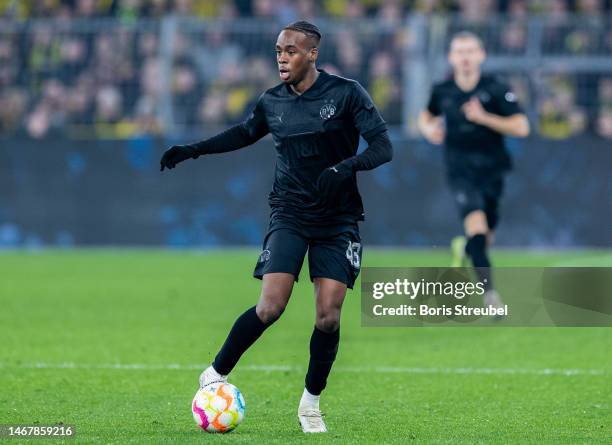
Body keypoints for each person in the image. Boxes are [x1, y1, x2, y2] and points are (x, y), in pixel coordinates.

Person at [160, 21, 392, 433]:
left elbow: (382, 147)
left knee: (328, 318)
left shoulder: (346, 93)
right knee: (270, 307)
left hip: (338, 219)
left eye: (290, 50)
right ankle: (214, 373)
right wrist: (193, 150)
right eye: (278, 51)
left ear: (312, 54)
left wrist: (345, 166)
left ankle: (310, 404)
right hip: (289, 213)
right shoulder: (272, 102)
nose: (281, 58)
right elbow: (245, 133)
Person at [417, 31, 529, 311]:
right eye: (459, 52)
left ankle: (465, 248)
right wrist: (429, 129)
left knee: (484, 238)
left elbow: (521, 126)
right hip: (460, 170)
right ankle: (491, 297)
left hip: (493, 170)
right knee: (477, 227)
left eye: (470, 51)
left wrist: (484, 117)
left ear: (481, 55)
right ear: (451, 58)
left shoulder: (495, 87)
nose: (465, 57)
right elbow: (426, 115)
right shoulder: (442, 90)